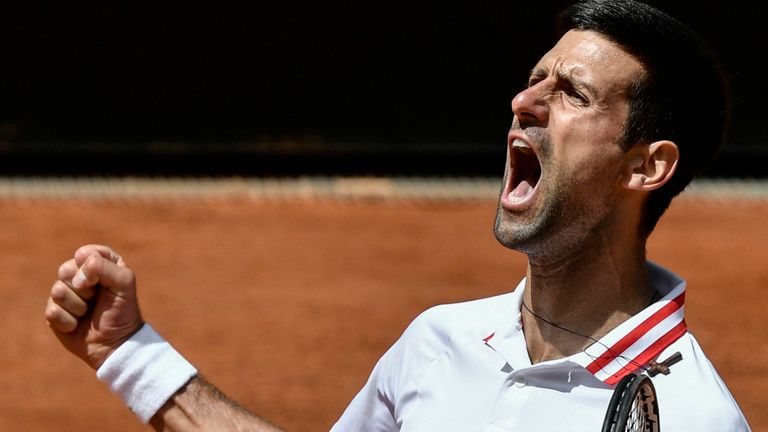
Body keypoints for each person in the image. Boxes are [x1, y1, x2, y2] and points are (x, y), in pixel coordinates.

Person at [45, 0, 752, 430]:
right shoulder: (438, 342)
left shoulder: (693, 418)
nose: (525, 101)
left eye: (572, 93)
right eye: (535, 78)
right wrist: (132, 355)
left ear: (646, 166)